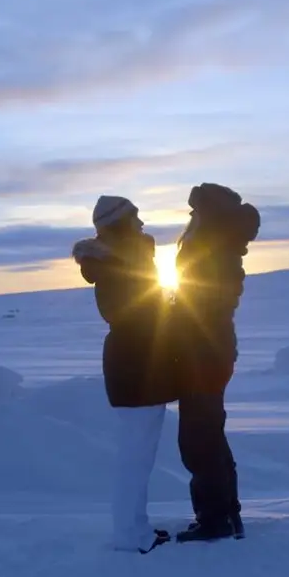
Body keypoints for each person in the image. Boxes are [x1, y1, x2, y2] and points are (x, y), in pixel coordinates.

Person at [73, 195, 177, 554]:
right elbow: (141, 318)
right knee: (135, 456)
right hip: (137, 365)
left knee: (137, 455)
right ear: (120, 223)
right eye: (135, 217)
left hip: (134, 363)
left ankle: (134, 528)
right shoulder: (122, 266)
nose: (142, 223)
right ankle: (129, 534)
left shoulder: (119, 264)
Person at [171, 182, 260, 542]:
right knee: (209, 433)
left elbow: (203, 306)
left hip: (203, 352)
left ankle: (214, 519)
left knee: (199, 438)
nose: (190, 216)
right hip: (210, 350)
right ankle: (226, 514)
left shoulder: (211, 248)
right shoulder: (220, 247)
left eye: (195, 210)